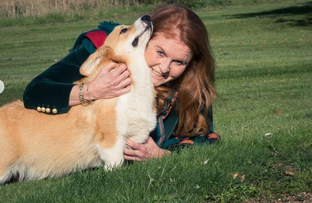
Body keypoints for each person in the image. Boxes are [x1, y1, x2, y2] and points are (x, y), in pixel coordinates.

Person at [23, 4, 220, 162]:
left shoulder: (192, 85)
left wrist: (163, 155)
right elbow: (34, 92)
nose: (165, 68)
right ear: (145, 36)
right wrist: (90, 91)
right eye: (160, 52)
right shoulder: (103, 48)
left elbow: (204, 140)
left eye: (179, 62)